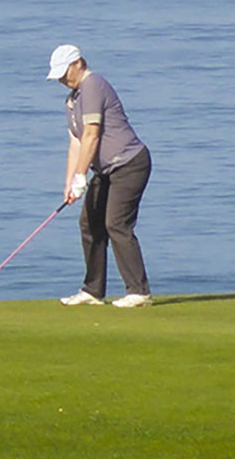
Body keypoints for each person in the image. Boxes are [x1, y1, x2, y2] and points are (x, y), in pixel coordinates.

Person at [46, 44, 153, 308]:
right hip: (106, 170)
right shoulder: (72, 99)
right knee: (90, 224)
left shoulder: (93, 85)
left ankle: (139, 291)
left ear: (78, 63)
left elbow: (92, 135)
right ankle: (93, 290)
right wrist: (71, 181)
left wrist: (81, 176)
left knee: (116, 224)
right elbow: (76, 143)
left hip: (130, 164)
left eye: (64, 72)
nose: (61, 79)